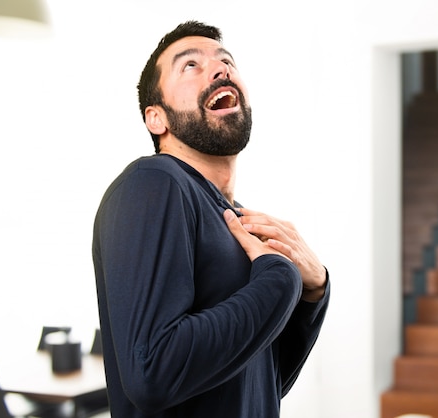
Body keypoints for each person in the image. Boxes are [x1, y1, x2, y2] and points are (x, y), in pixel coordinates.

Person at [92, 20, 330, 418]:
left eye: (226, 61)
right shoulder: (155, 181)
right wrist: (281, 276)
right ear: (157, 118)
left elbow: (262, 382)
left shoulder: (234, 218)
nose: (221, 70)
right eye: (191, 66)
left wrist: (314, 292)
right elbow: (153, 373)